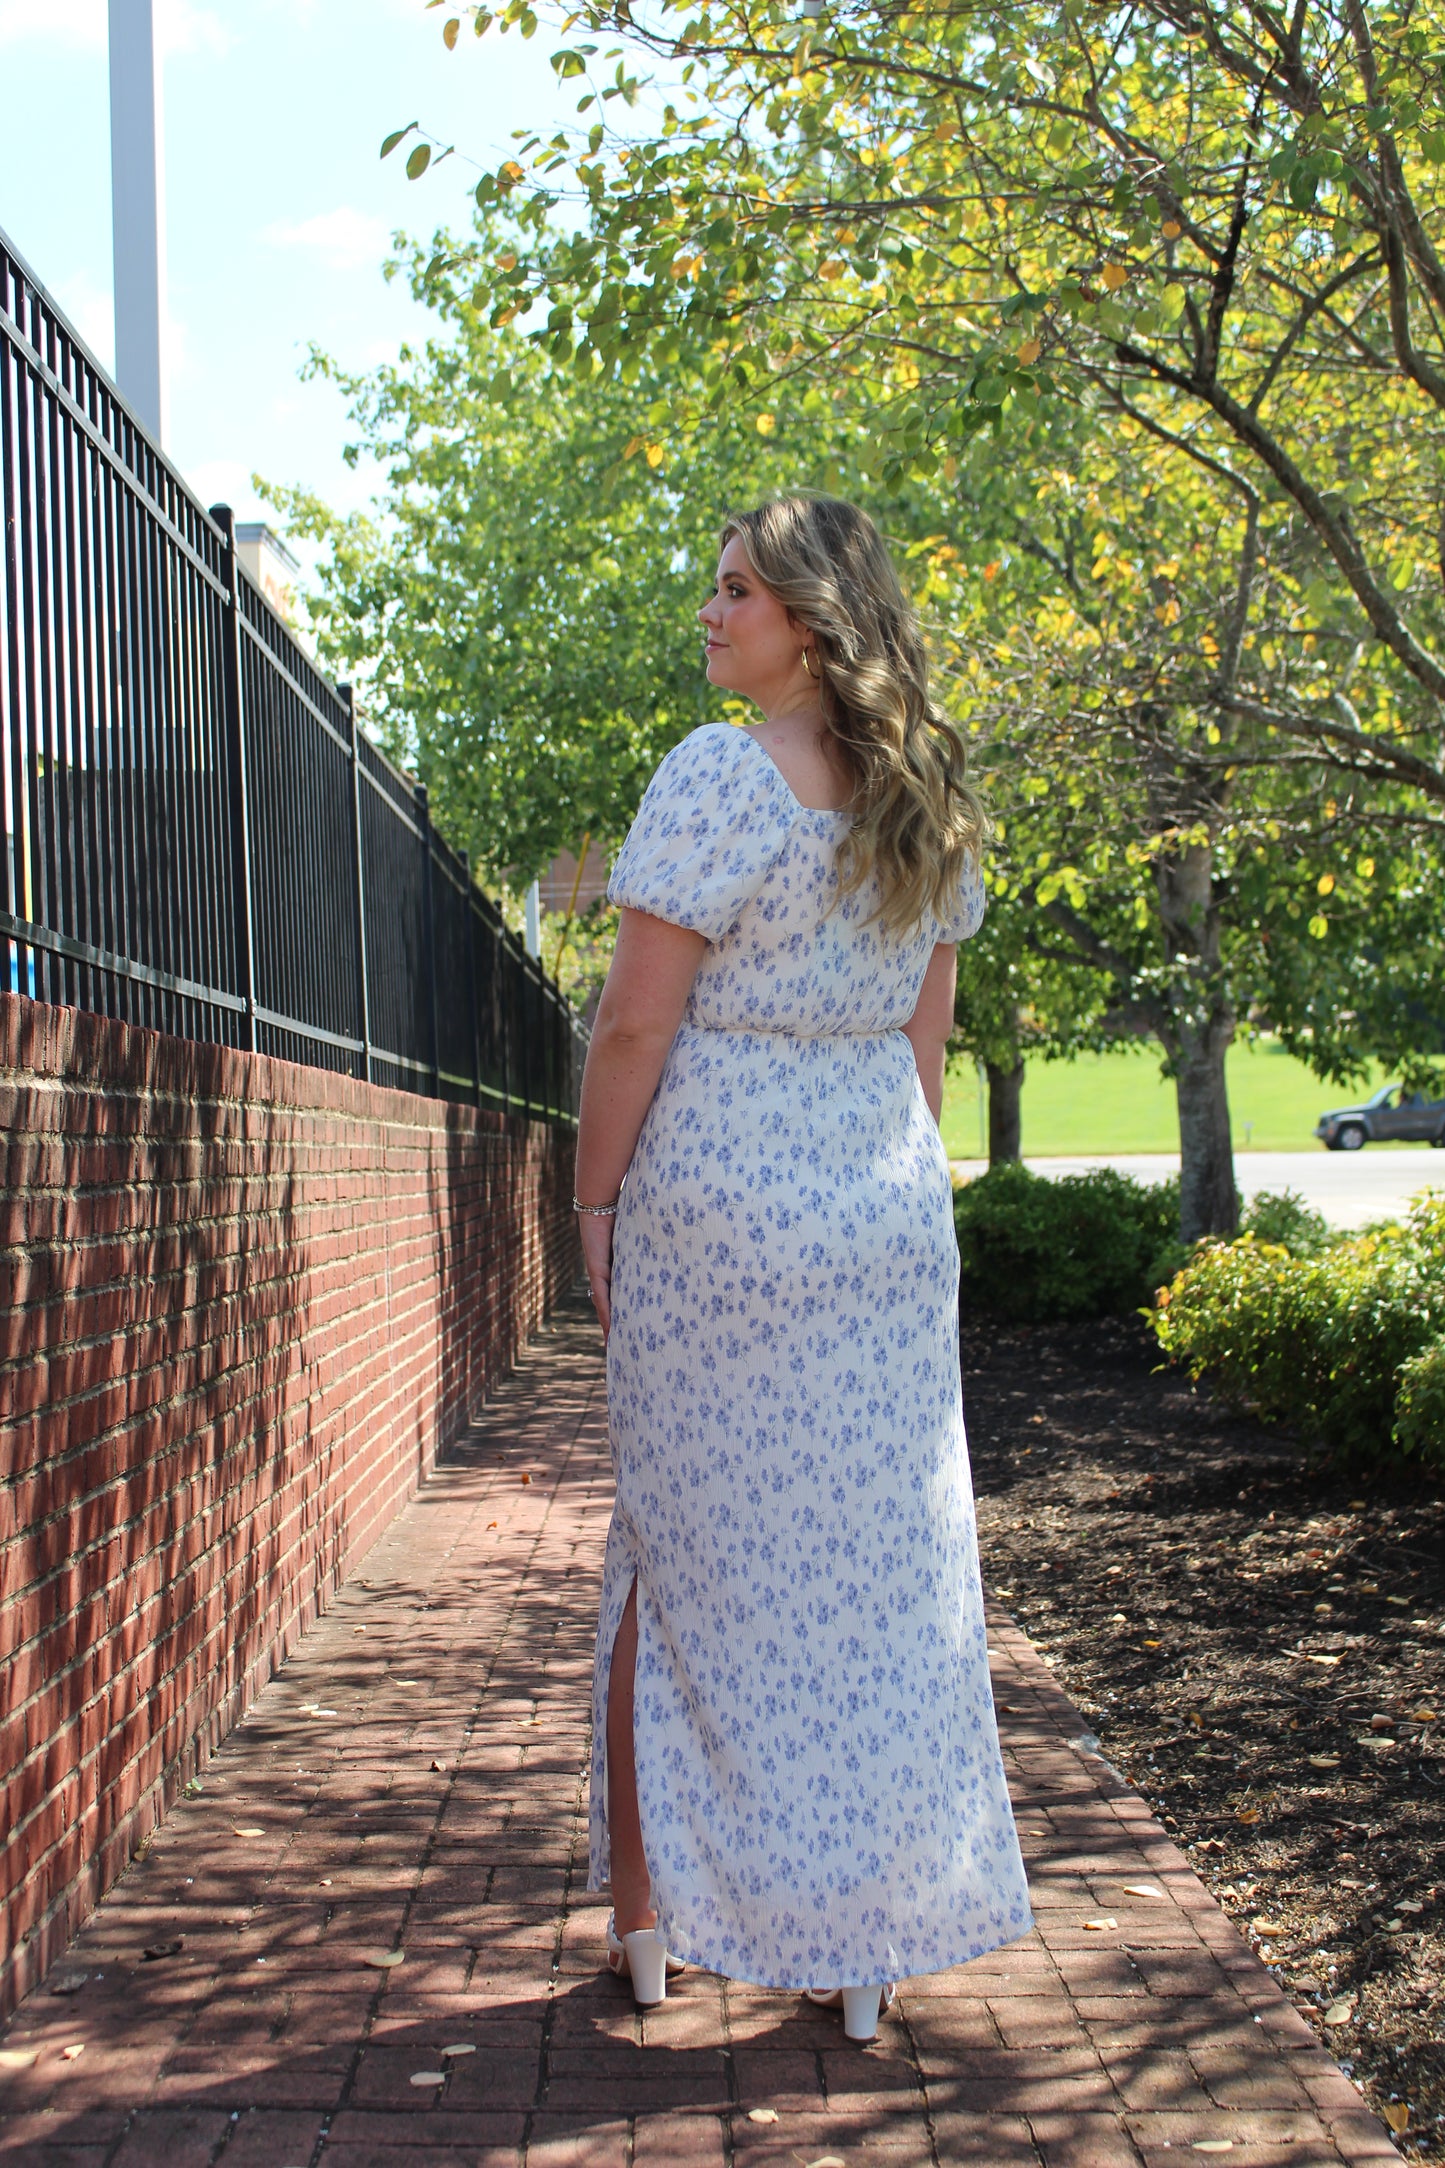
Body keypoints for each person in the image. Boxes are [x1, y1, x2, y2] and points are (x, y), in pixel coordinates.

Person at [570, 495, 1032, 2042]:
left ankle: (649, 1927)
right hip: (881, 1209)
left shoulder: (718, 777)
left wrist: (590, 1200)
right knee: (878, 1582)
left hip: (718, 1209)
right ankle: (860, 1951)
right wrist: (888, 1196)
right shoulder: (927, 791)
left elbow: (636, 1024)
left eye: (736, 594)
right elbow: (925, 1036)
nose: (709, 614)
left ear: (811, 623)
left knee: (681, 1564)